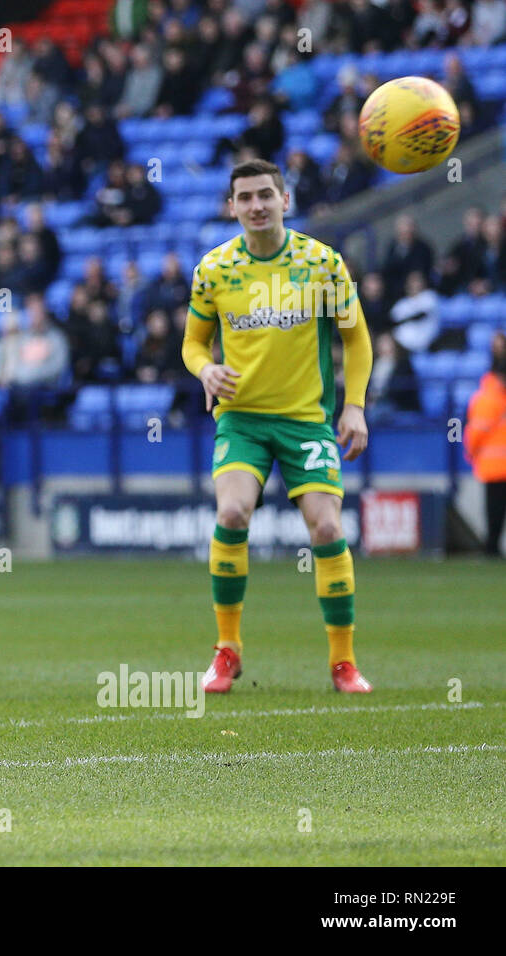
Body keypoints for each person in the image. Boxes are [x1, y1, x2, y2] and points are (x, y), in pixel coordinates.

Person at [181, 159, 374, 695]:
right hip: (241, 420)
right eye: (245, 197)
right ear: (232, 206)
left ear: (285, 200)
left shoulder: (322, 263)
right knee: (232, 511)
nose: (256, 205)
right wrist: (205, 369)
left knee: (329, 529)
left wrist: (353, 406)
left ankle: (343, 662)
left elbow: (356, 339)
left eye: (266, 194)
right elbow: (193, 343)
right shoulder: (213, 270)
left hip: (306, 422)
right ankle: (227, 650)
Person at [465, 332, 506, 556]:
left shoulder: (485, 397)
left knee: (494, 510)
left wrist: (470, 453)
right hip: (496, 466)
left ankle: (492, 548)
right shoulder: (490, 398)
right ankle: (492, 548)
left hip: (493, 465)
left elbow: (475, 432)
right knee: (495, 511)